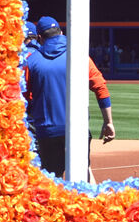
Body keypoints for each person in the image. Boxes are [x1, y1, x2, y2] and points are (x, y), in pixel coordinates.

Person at [25, 16, 115, 179]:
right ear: (61, 32)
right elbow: (101, 88)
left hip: (47, 130)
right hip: (78, 129)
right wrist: (108, 122)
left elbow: (23, 98)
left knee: (51, 183)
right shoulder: (80, 56)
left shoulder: (32, 61)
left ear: (39, 38)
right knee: (81, 179)